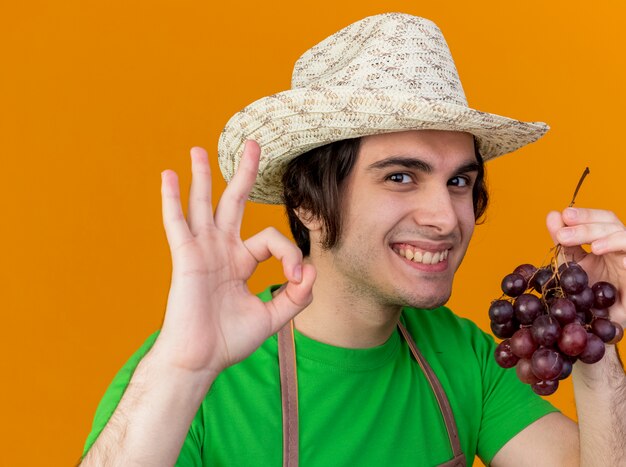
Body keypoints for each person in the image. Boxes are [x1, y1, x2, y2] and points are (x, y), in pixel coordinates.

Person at [81, 13, 626, 466]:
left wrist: (592, 336)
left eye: (458, 180)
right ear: (309, 203)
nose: (445, 217)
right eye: (400, 176)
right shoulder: (191, 378)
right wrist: (181, 371)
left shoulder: (463, 357)